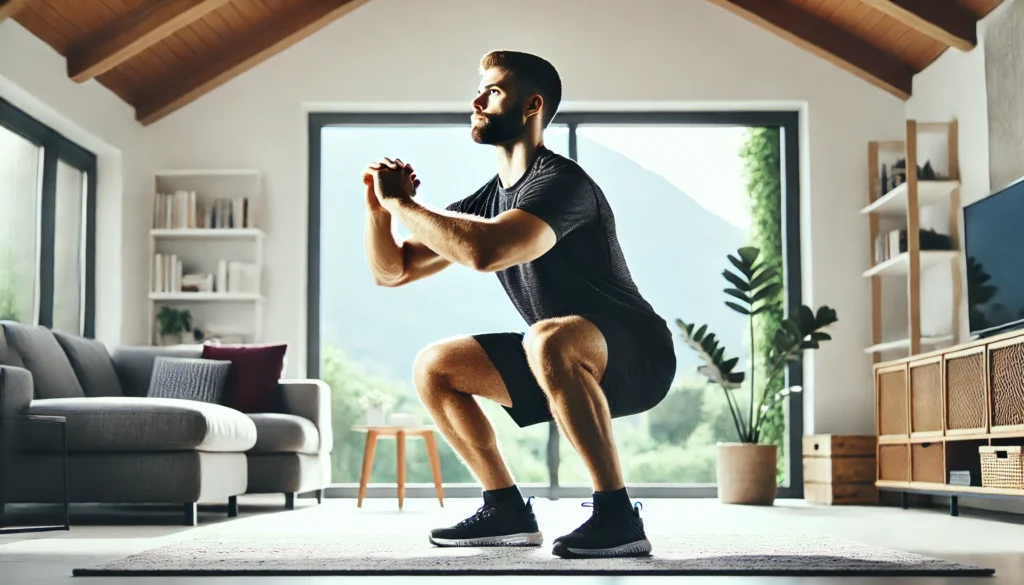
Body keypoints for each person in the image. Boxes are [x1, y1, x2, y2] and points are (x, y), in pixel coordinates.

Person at [361, 50, 676, 559]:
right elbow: (393, 271)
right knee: (435, 366)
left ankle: (617, 516)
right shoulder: (489, 198)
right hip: (554, 356)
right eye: (479, 90)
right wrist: (379, 211)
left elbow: (486, 251)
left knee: (548, 335)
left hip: (635, 353)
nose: (477, 100)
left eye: (493, 91)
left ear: (531, 106)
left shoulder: (562, 183)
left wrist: (406, 204)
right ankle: (504, 508)